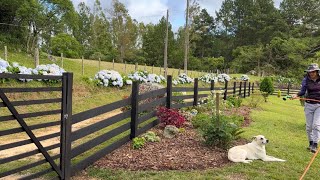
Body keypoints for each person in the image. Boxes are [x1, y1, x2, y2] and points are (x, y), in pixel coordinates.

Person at [292, 63, 320, 153]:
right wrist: (296, 95)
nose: (311, 73)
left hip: (319, 105)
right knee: (309, 127)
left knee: (316, 125)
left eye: (313, 72)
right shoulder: (306, 80)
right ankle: (311, 143)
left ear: (317, 72)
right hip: (309, 104)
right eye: (310, 72)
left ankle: (315, 144)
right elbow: (302, 91)